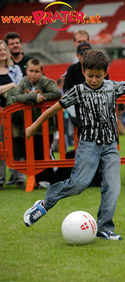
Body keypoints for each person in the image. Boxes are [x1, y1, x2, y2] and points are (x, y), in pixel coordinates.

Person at [23, 49, 125, 240]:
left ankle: (104, 227)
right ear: (83, 71)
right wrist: (33, 126)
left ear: (106, 72)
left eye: (98, 76)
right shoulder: (78, 91)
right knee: (79, 184)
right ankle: (44, 203)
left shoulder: (112, 86)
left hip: (110, 145)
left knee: (113, 186)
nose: (94, 80)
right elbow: (53, 109)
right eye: (90, 75)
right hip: (88, 144)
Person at [14, 58, 62, 188]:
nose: (33, 74)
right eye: (31, 71)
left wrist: (42, 98)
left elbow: (57, 93)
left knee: (46, 153)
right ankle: (39, 180)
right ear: (26, 70)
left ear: (41, 72)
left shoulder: (46, 81)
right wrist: (34, 97)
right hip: (30, 126)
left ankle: (53, 180)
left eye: (36, 71)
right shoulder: (24, 81)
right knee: (34, 154)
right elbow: (16, 97)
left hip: (47, 126)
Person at [4, 32, 33, 186]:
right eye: (11, 43)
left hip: (24, 110)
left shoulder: (29, 62)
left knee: (22, 142)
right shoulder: (8, 66)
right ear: (8, 47)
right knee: (6, 144)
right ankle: (12, 176)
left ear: (21, 44)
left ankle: (24, 176)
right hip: (6, 110)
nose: (15, 45)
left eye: (17, 42)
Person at [0, 40, 24, 190]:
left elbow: (20, 87)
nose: (2, 52)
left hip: (14, 114)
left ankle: (19, 178)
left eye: (3, 49)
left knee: (16, 143)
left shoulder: (15, 69)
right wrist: (11, 85)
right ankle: (1, 179)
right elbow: (15, 86)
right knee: (0, 146)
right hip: (0, 113)